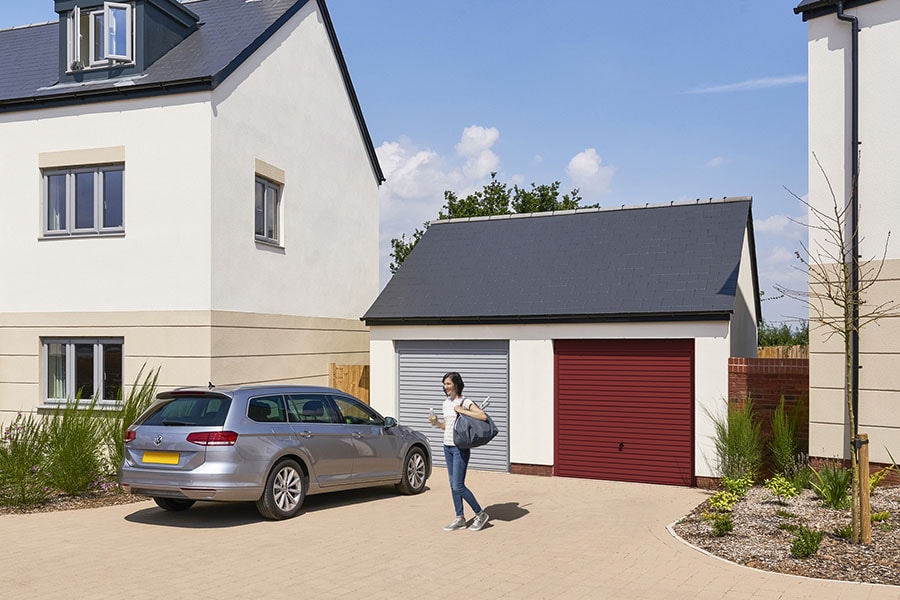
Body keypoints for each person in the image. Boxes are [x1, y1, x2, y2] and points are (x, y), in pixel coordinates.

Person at [428, 371, 489, 532]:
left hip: (459, 447)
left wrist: (462, 410)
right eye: (444, 384)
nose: (445, 386)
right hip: (446, 446)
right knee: (452, 485)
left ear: (456, 384)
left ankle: (480, 514)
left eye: (448, 383)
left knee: (458, 485)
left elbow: (482, 416)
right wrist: (436, 423)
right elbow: (447, 427)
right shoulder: (445, 403)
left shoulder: (465, 401)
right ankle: (460, 518)